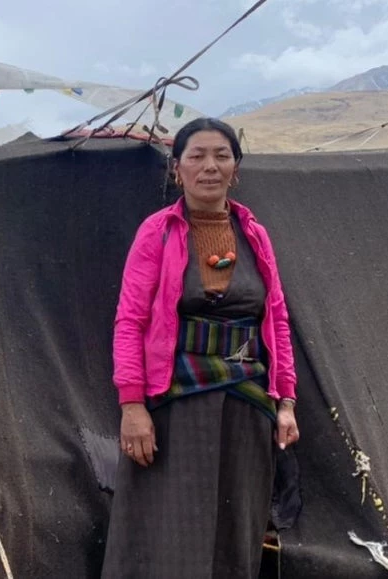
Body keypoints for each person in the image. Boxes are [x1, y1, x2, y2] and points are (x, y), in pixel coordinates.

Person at [101, 117, 299, 578]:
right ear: (177, 169)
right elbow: (130, 320)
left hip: (248, 403)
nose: (209, 166)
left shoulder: (255, 235)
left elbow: (277, 319)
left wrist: (285, 400)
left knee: (236, 528)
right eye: (197, 156)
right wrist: (132, 406)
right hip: (173, 403)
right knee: (165, 528)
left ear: (236, 169)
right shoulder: (157, 232)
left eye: (221, 156)